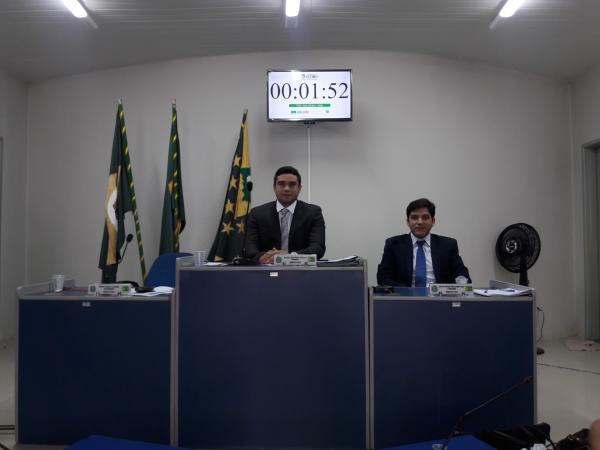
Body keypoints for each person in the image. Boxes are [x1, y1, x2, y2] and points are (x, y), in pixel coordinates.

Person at [376, 198, 470, 286]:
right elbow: (383, 278)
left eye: (425, 217)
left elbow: (462, 274)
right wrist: (408, 293)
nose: (420, 222)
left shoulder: (448, 245)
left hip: (438, 297)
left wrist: (460, 284)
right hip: (405, 296)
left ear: (433, 221)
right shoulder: (393, 244)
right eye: (414, 217)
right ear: (408, 221)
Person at [245, 166, 325, 264]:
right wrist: (261, 257)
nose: (287, 189)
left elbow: (318, 247)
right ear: (274, 187)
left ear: (299, 188)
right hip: (266, 269)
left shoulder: (313, 213)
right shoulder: (257, 213)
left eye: (292, 184)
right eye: (281, 184)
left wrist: (290, 257)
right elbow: (249, 247)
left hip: (301, 269)